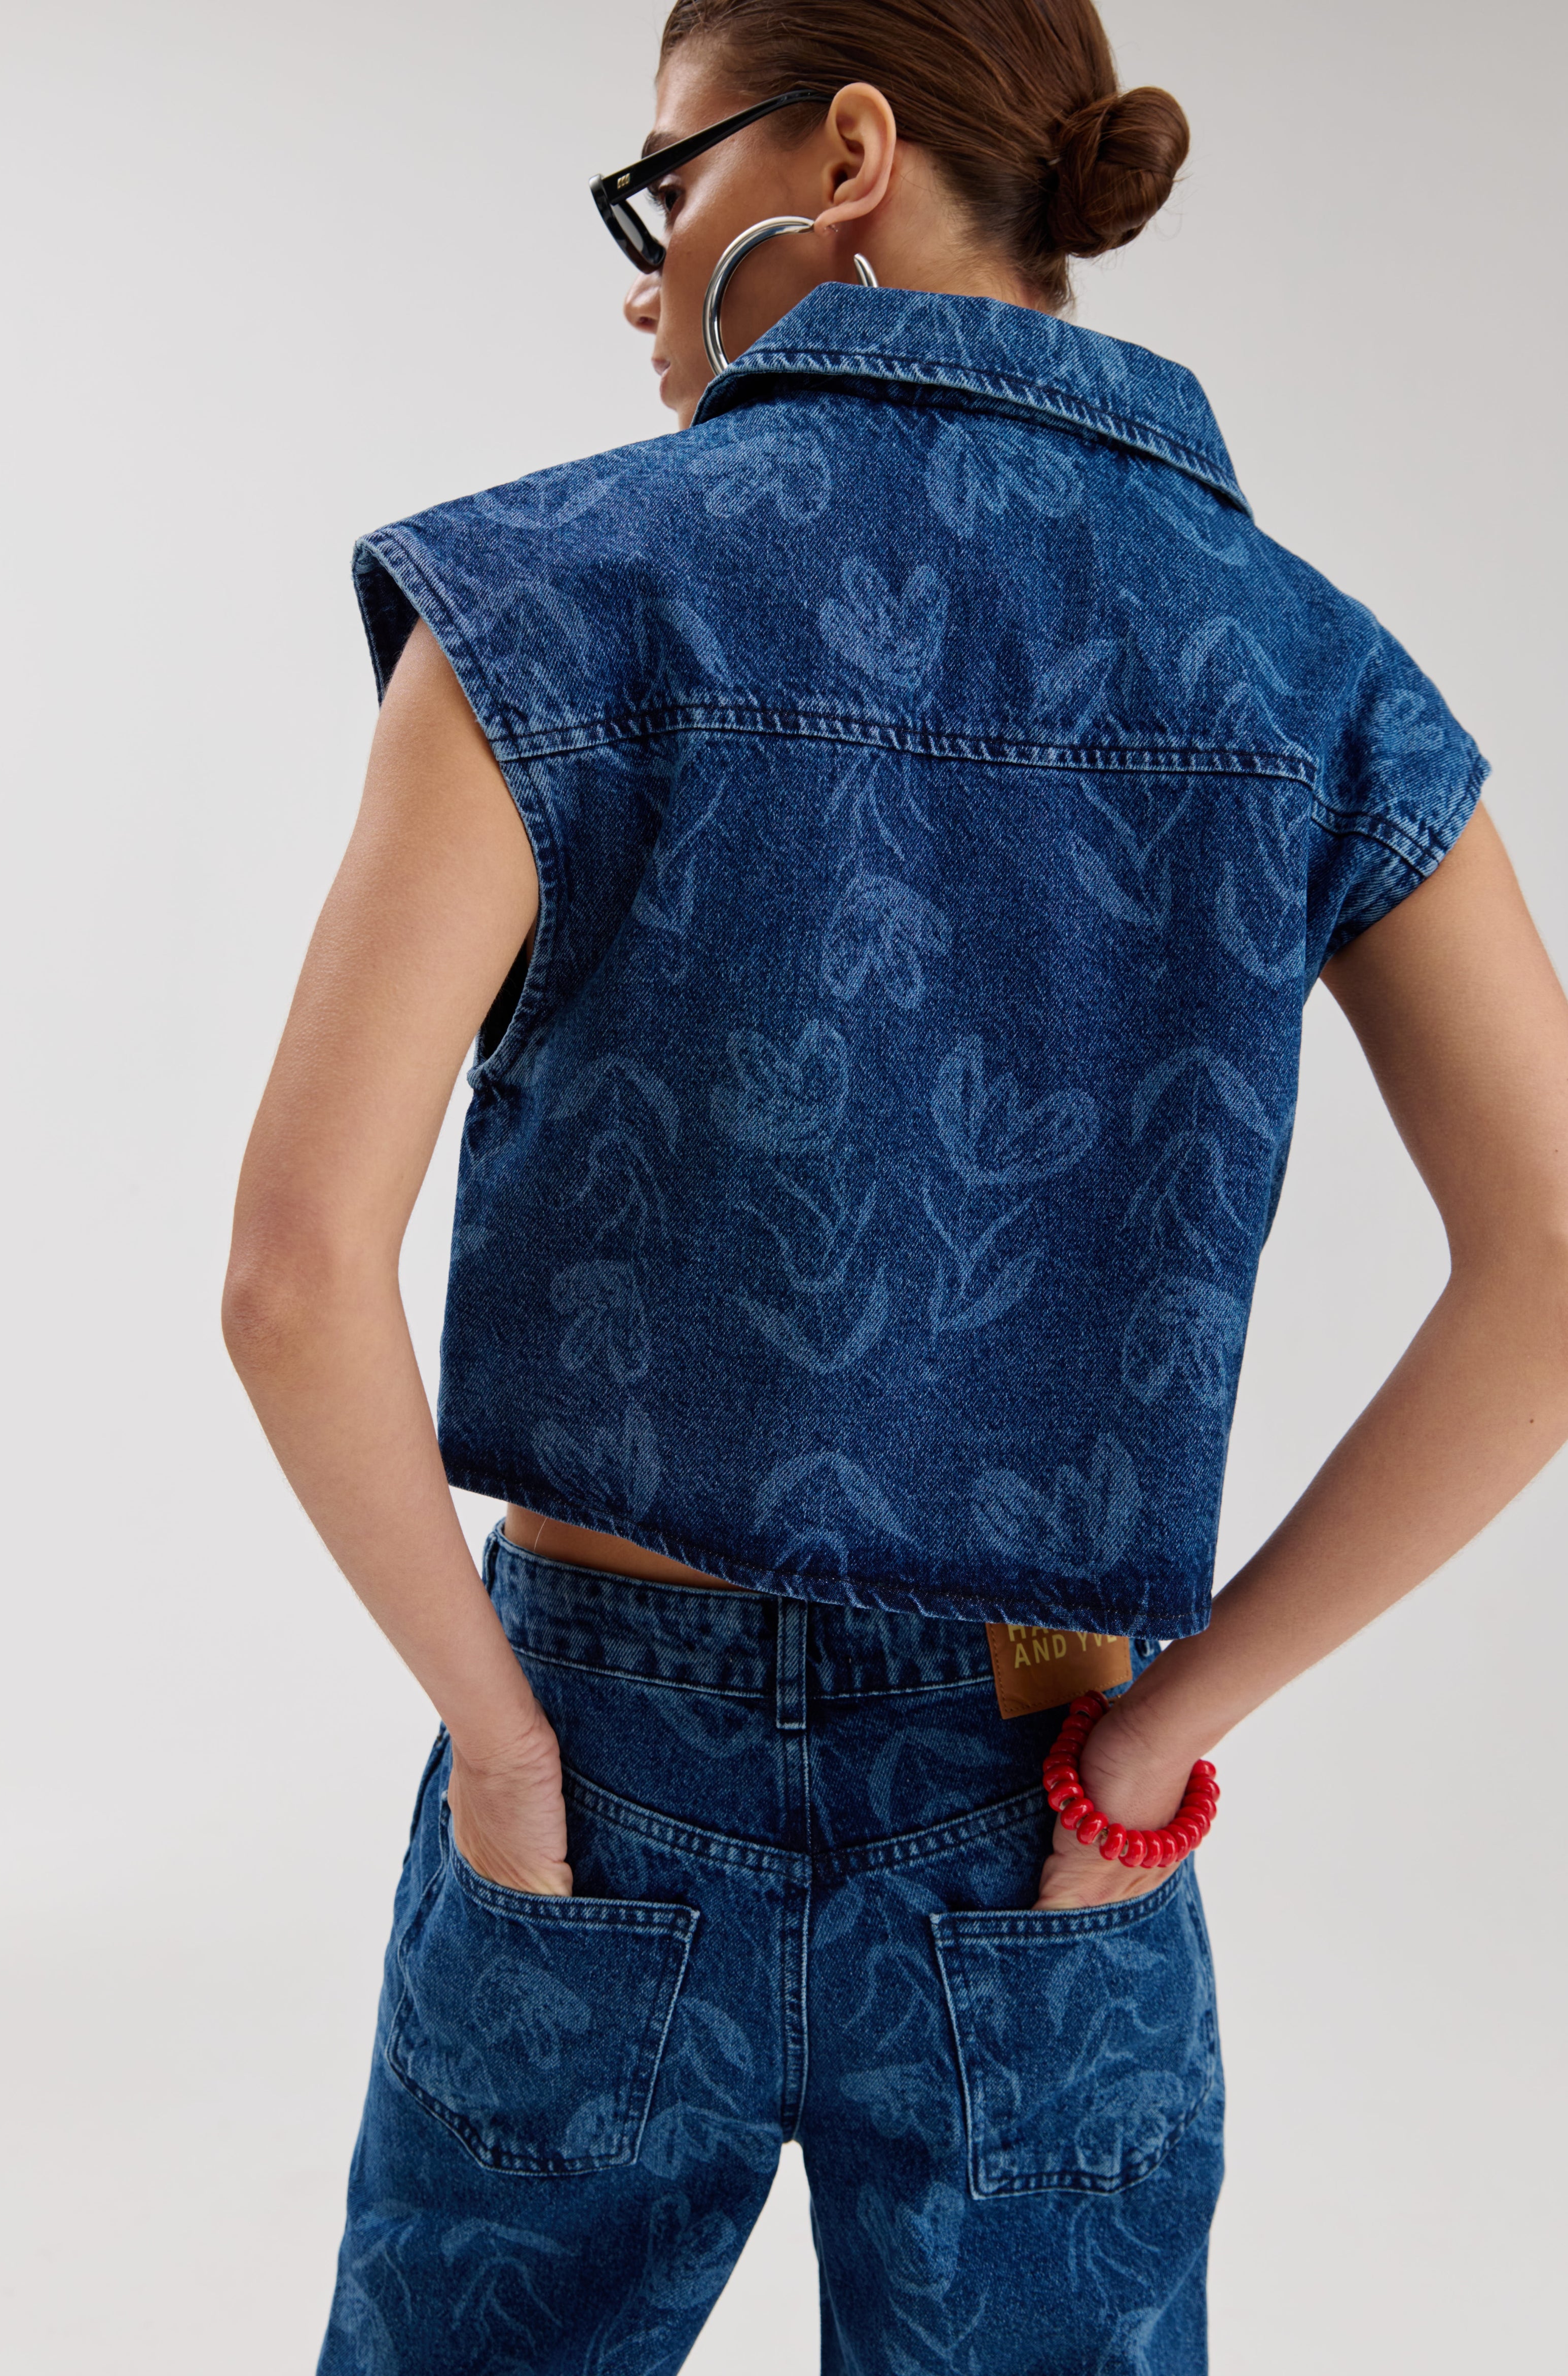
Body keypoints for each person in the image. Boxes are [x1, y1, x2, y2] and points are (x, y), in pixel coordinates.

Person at [223, 3, 1568, 2369]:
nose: (639, 275)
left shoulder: (544, 598)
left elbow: (294, 1269)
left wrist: (507, 1747)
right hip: (1039, 1795)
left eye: (664, 189)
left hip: (593, 1773)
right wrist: (1151, 1739)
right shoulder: (1302, 667)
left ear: (845, 153)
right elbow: (1553, 1255)